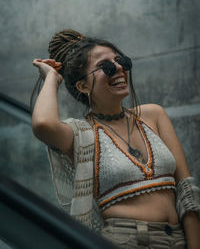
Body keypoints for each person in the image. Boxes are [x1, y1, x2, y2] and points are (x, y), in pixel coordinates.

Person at [31, 29, 200, 249]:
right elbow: (43, 124)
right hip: (127, 241)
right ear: (83, 86)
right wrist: (51, 78)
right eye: (106, 66)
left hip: (179, 238)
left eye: (121, 61)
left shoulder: (153, 115)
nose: (119, 68)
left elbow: (186, 190)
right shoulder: (81, 134)